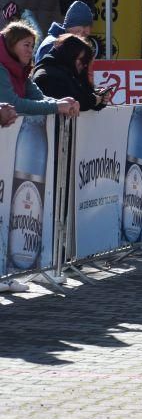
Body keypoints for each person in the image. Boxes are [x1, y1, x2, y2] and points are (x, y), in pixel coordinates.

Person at [0, 22, 79, 294]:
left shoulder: (22, 70)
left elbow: (38, 97)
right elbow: (14, 103)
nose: (30, 51)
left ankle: (29, 267)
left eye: (32, 46)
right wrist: (56, 107)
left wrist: (62, 102)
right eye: (26, 45)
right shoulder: (2, 69)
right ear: (11, 45)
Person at [31, 34, 114, 112]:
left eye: (85, 61)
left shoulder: (66, 71)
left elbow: (78, 94)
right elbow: (70, 100)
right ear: (70, 55)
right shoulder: (47, 75)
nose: (84, 65)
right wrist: (94, 99)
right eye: (82, 60)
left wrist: (98, 98)